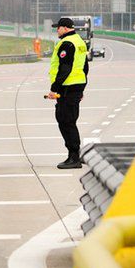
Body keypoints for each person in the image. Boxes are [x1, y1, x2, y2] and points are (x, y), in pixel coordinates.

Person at [46, 17, 89, 169]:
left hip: (67, 88)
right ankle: (74, 154)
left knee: (66, 121)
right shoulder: (79, 42)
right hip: (76, 86)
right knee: (68, 120)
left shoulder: (67, 44)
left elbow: (65, 68)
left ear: (65, 28)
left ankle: (74, 157)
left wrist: (54, 88)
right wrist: (82, 88)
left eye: (58, 28)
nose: (57, 30)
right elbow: (84, 67)